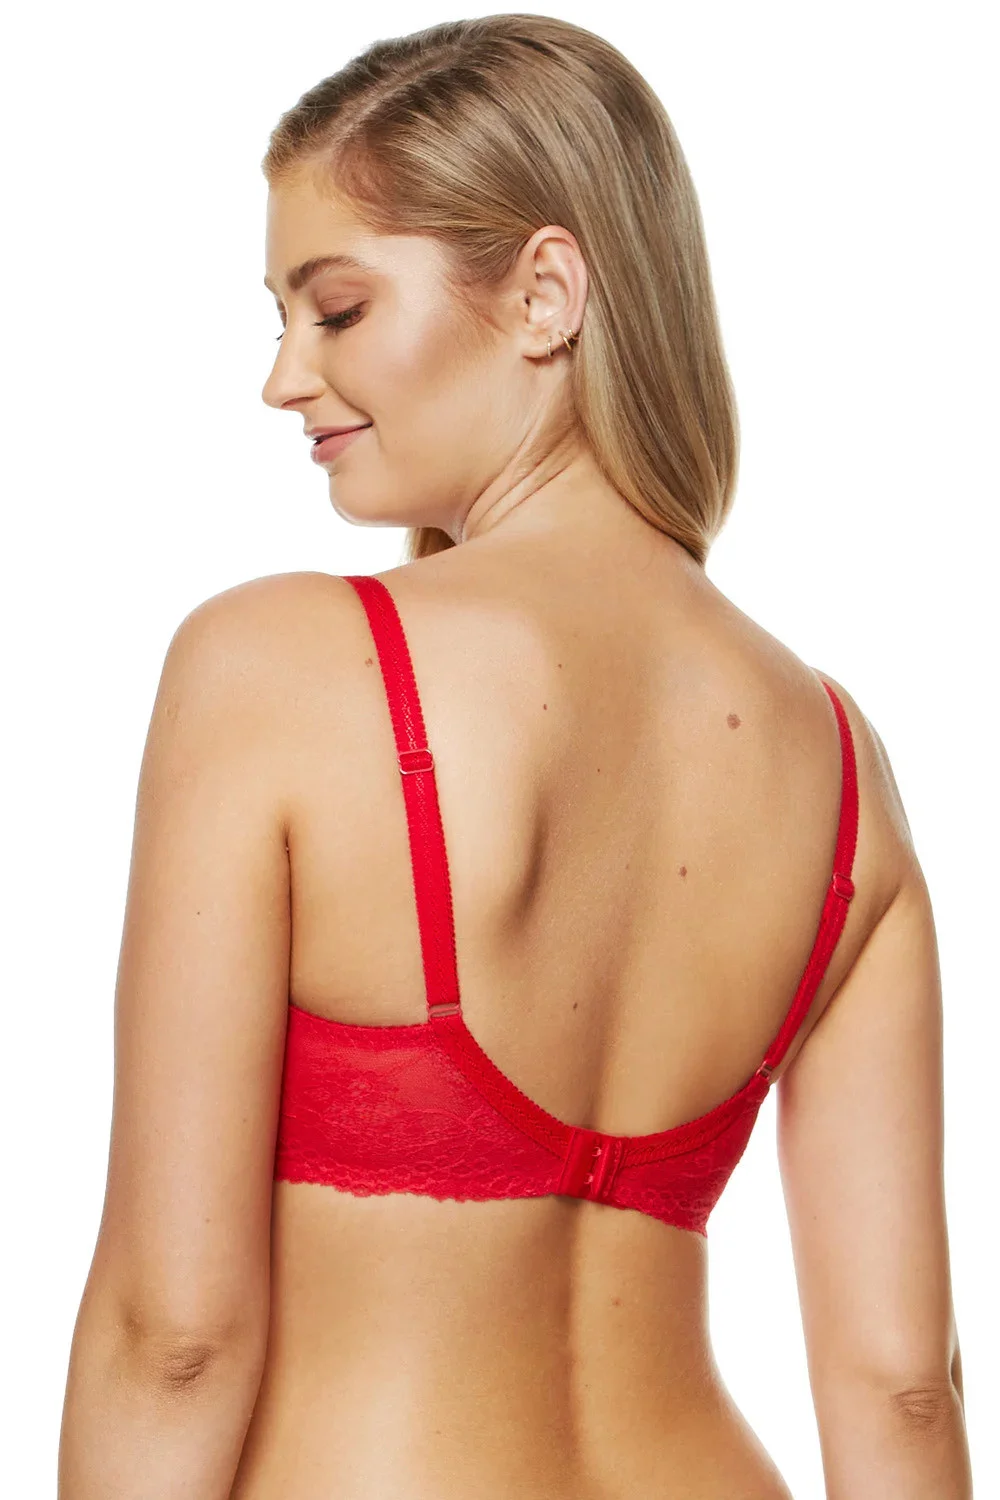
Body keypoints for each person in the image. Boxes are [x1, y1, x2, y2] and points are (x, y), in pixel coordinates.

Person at [57, 14, 972, 1500]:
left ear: (545, 293)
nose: (284, 378)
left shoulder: (281, 668)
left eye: (336, 309)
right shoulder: (842, 765)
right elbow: (903, 1391)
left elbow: (176, 1336)